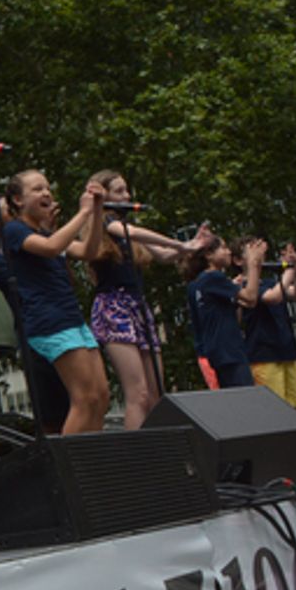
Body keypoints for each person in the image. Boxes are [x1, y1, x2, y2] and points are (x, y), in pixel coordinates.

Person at [85, 171, 212, 428]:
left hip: (138, 306)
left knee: (156, 394)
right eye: (120, 191)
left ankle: (159, 451)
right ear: (105, 196)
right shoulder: (105, 222)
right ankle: (137, 459)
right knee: (138, 394)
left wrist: (191, 247)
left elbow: (164, 255)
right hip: (113, 307)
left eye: (127, 190)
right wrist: (182, 245)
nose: (128, 196)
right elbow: (131, 231)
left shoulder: (129, 234)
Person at [1, 171, 110, 434]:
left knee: (101, 397)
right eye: (37, 189)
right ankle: (66, 469)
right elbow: (50, 247)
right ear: (17, 200)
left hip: (71, 318)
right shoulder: (15, 230)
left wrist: (95, 213)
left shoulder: (47, 232)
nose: (47, 193)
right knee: (84, 399)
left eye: (48, 188)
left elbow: (88, 251)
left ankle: (90, 461)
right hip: (49, 321)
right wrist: (82, 213)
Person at [0, 195, 71, 435]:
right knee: (51, 411)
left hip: (65, 326)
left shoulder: (44, 245)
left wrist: (47, 234)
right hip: (37, 334)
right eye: (8, 210)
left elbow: (61, 278)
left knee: (82, 399)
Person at [184, 237, 267, 388]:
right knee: (245, 400)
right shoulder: (213, 277)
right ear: (209, 255)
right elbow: (251, 298)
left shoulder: (196, 284)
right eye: (223, 248)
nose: (228, 252)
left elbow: (233, 314)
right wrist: (253, 263)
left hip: (215, 353)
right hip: (229, 350)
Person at [236, 241, 296, 408]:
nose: (260, 252)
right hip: (263, 355)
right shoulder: (244, 285)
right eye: (253, 249)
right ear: (239, 260)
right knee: (275, 409)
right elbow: (273, 297)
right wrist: (289, 269)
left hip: (286, 350)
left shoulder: (269, 282)